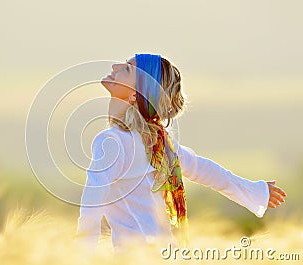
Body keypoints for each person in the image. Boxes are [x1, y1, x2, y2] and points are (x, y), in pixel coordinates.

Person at [74, 53, 286, 252]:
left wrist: (83, 254)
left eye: (128, 69)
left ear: (135, 95)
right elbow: (206, 170)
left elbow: (92, 203)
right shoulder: (160, 144)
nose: (115, 66)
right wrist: (256, 191)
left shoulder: (112, 141)